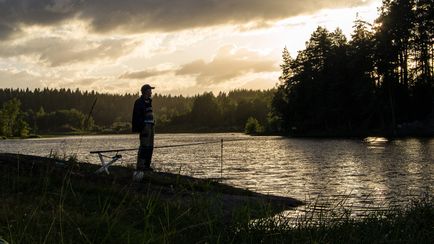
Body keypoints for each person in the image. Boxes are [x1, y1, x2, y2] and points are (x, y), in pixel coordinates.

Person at [132, 84, 155, 179]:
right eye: (150, 90)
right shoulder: (139, 102)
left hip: (151, 127)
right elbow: (137, 116)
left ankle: (147, 166)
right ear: (145, 91)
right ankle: (140, 166)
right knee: (144, 146)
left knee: (150, 146)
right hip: (145, 127)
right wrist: (142, 127)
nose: (151, 92)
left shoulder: (149, 101)